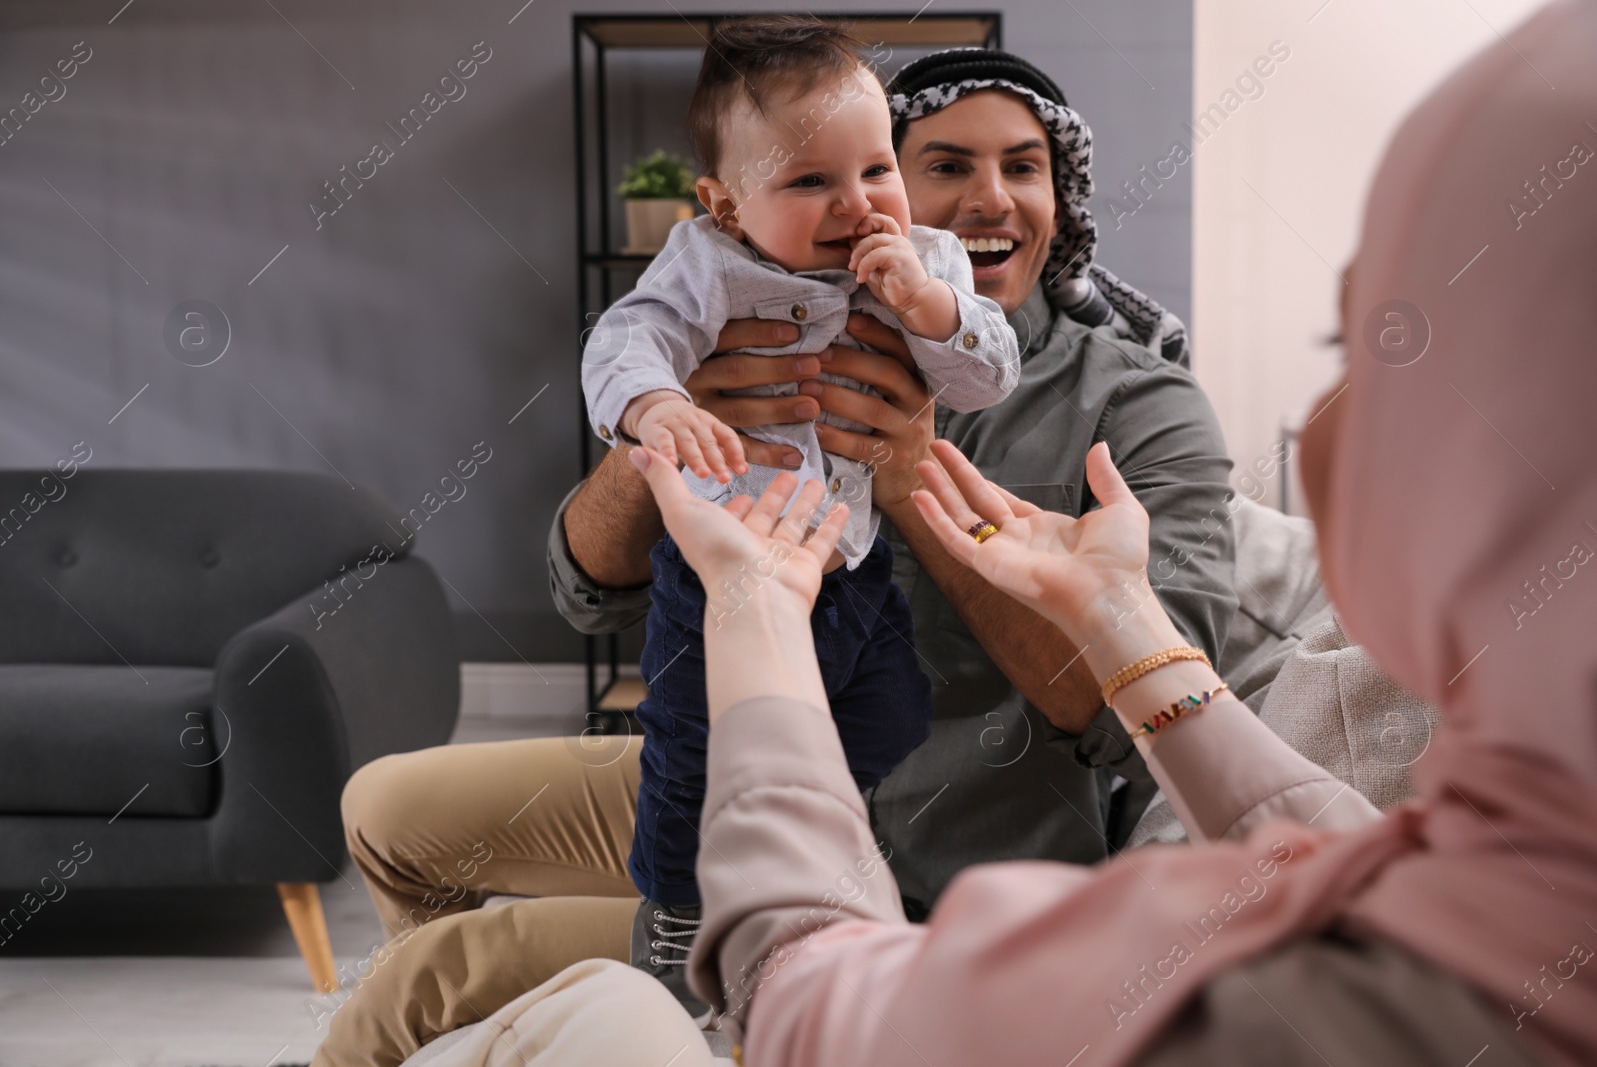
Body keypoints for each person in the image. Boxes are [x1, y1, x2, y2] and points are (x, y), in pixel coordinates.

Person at [311, 43, 1236, 1067]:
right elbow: (585, 594)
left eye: (1023, 167)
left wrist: (908, 484)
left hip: (935, 851)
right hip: (730, 759)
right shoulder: (745, 311)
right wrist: (663, 432)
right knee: (384, 809)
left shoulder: (1138, 402)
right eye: (946, 167)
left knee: (426, 977)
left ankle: (624, 981)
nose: (990, 199)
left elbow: (1132, 720)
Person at [581, 19, 1018, 1000]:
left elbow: (986, 372)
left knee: (887, 711)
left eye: (875, 170)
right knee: (694, 744)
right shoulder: (704, 265)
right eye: (809, 182)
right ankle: (677, 907)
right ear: (724, 204)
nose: (856, 205)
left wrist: (930, 311)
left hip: (850, 558)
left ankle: (810, 851)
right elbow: (626, 338)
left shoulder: (931, 262)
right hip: (720, 560)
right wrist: (654, 402)